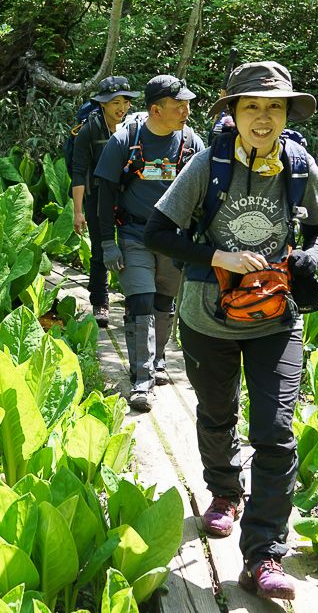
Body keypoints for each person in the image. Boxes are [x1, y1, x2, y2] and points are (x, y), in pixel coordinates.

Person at [143, 61, 318, 601]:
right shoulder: (207, 165)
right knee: (218, 412)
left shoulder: (299, 166)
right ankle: (225, 493)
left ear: (286, 113)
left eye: (274, 106)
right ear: (233, 112)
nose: (264, 117)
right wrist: (218, 254)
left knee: (275, 430)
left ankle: (263, 556)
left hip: (277, 318)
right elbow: (158, 231)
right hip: (208, 316)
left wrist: (309, 258)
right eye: (252, 106)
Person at [94, 75, 204, 413]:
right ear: (156, 109)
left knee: (163, 301)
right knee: (139, 301)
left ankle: (155, 360)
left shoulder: (191, 143)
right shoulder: (125, 140)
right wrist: (106, 244)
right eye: (178, 105)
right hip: (134, 234)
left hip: (174, 238)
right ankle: (141, 380)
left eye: (187, 103)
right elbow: (105, 195)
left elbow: (205, 196)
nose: (186, 110)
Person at [70, 76, 140, 326]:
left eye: (125, 102)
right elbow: (79, 171)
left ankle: (135, 301)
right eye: (115, 103)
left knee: (132, 247)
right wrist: (78, 212)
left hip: (127, 196)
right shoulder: (89, 130)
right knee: (101, 250)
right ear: (102, 104)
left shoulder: (134, 129)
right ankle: (100, 302)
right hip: (98, 197)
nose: (121, 108)